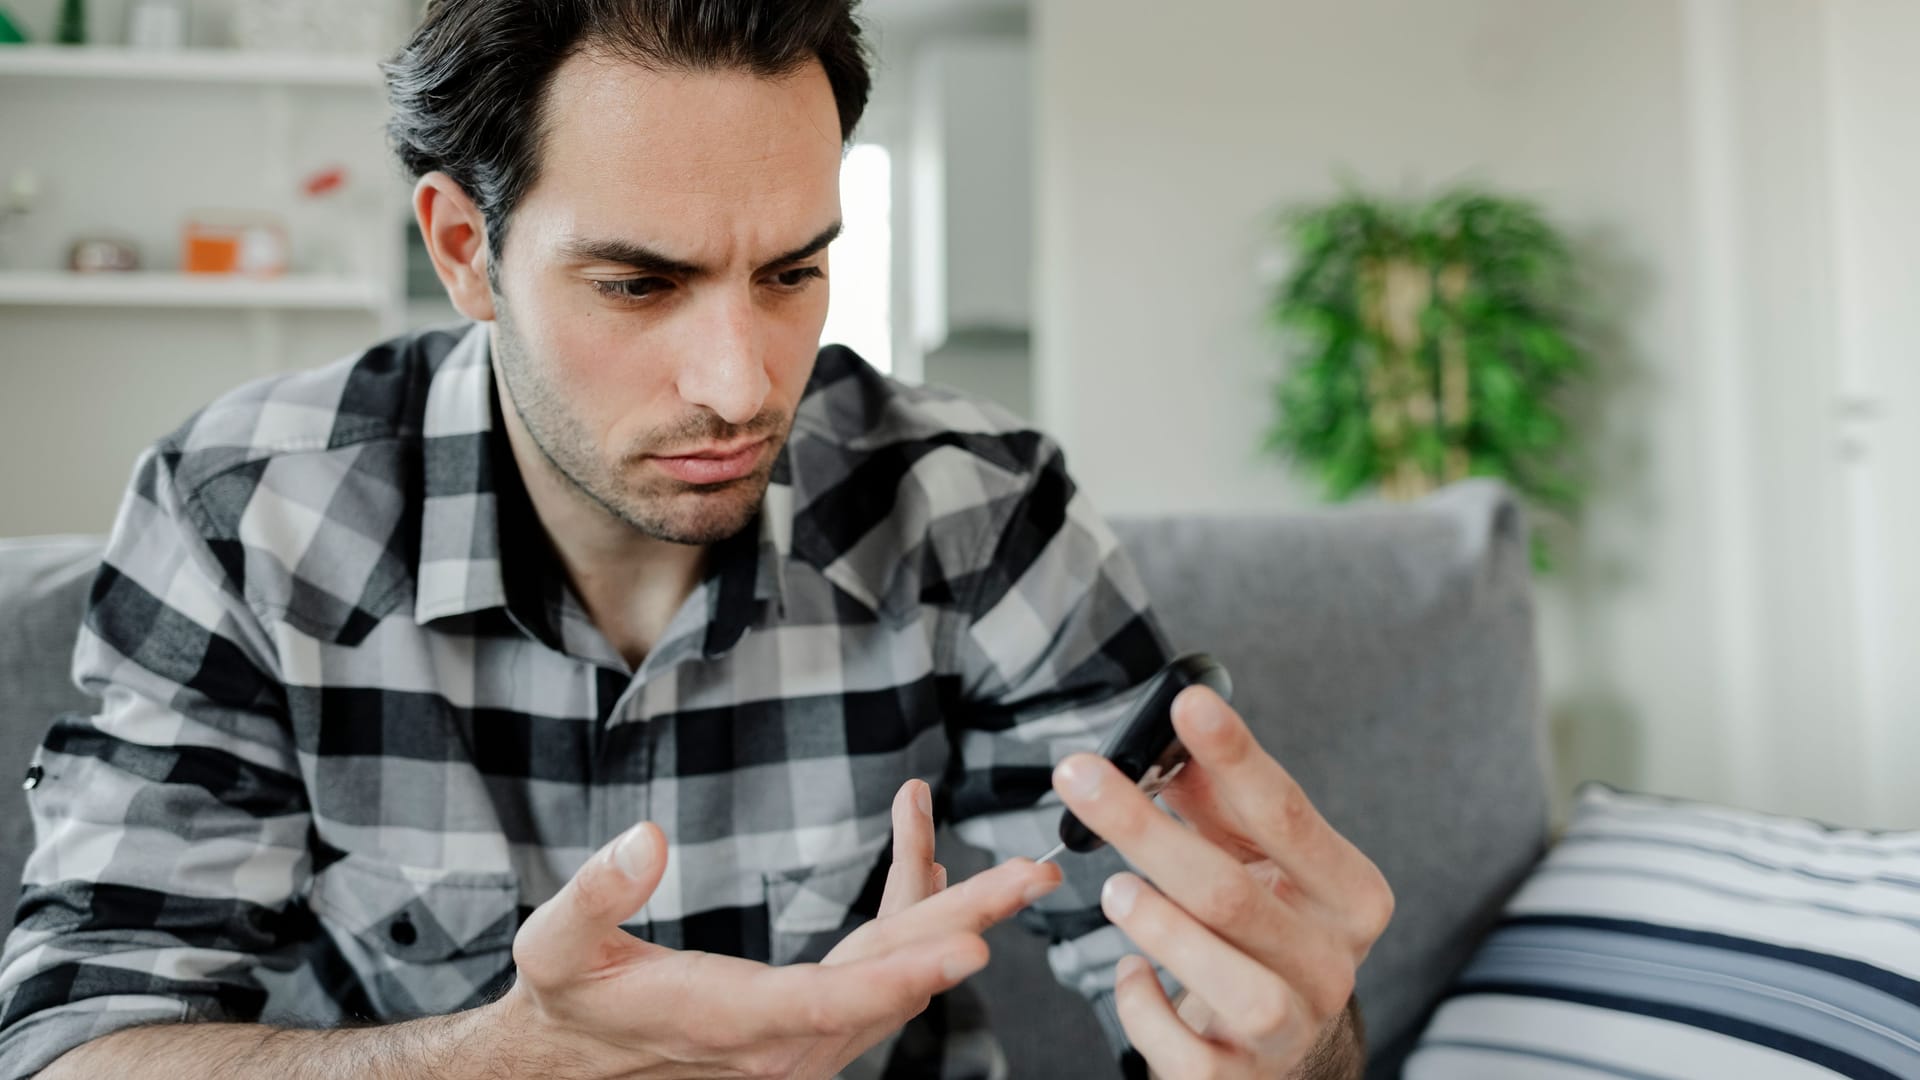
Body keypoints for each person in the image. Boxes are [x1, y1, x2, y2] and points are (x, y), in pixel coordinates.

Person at [0, 2, 1393, 1077]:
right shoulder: (245, 516)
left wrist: (1297, 1042)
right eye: (637, 283)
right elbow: (83, 1040)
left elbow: (1201, 976)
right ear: (463, 248)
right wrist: (504, 1061)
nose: (741, 382)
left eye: (792, 271)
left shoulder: (974, 511)